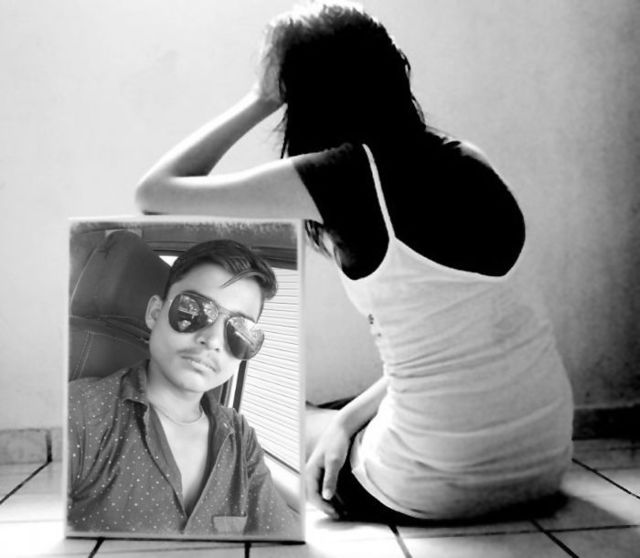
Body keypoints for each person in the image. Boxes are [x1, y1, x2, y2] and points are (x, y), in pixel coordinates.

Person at [135, 1, 574, 523]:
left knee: (258, 410)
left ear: (302, 91)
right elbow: (454, 350)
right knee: (334, 415)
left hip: (427, 488)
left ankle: (255, 484)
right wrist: (345, 423)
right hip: (544, 462)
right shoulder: (468, 159)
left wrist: (260, 99)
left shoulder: (339, 175)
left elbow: (155, 193)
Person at [67, 239, 300, 537]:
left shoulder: (240, 439)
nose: (212, 340)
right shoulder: (80, 416)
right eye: (194, 310)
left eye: (240, 330)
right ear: (155, 313)